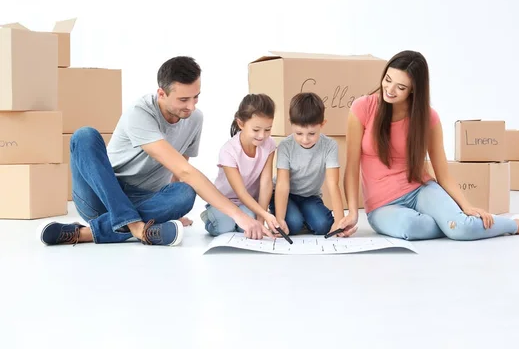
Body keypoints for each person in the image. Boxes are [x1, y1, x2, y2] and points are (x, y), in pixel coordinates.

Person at [37, 56, 273, 246]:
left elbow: (179, 170)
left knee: (184, 193)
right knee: (84, 135)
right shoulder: (140, 113)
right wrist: (239, 215)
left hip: (145, 198)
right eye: (183, 99)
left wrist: (170, 209)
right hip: (103, 196)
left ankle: (93, 232)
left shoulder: (195, 119)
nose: (191, 106)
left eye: (196, 97)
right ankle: (136, 228)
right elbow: (186, 170)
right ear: (162, 94)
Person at [337, 50, 519, 240]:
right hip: (381, 205)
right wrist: (352, 212)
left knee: (463, 227)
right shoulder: (362, 108)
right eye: (388, 80)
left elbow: (442, 173)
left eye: (400, 86)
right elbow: (352, 167)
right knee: (410, 228)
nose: (390, 89)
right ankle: (454, 224)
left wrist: (465, 206)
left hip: (420, 190)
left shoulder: (428, 118)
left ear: (414, 89)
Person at [200, 93, 281, 237]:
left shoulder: (269, 145)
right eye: (256, 130)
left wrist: (261, 219)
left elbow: (266, 183)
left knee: (250, 228)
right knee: (224, 227)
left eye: (267, 129)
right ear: (241, 124)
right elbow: (241, 192)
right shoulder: (228, 151)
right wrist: (264, 213)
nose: (262, 135)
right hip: (225, 200)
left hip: (248, 202)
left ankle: (241, 219)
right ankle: (210, 214)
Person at [269, 92, 345, 236]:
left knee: (324, 225)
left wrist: (340, 221)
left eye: (311, 133)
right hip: (286, 194)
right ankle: (296, 217)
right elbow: (282, 185)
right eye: (299, 133)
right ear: (290, 123)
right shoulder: (286, 146)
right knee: (292, 224)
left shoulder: (330, 146)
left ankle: (302, 216)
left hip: (310, 196)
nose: (305, 139)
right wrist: (279, 220)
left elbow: (333, 184)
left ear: (322, 124)